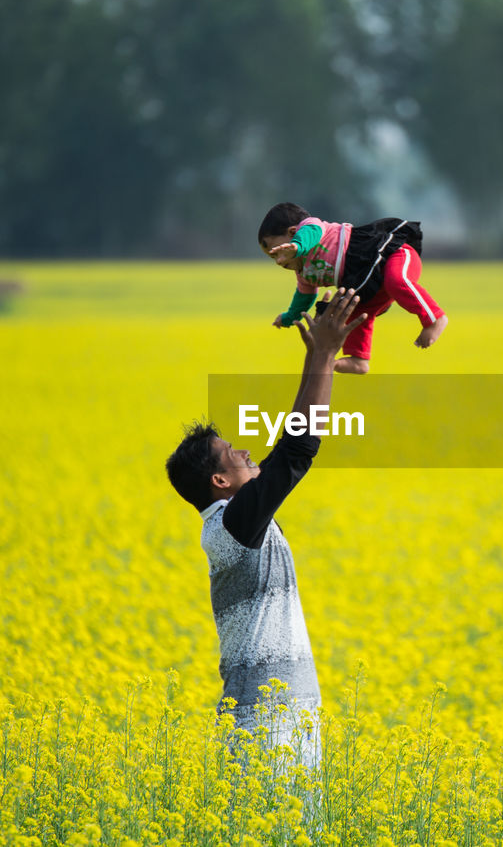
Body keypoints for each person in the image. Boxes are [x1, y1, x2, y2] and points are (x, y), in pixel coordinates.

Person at [165, 289, 365, 771]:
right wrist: (321, 354)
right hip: (267, 728)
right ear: (219, 482)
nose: (246, 454)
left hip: (280, 720)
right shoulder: (233, 525)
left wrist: (320, 355)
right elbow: (295, 451)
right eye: (233, 454)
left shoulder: (233, 526)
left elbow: (288, 448)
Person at [259, 201, 449, 375]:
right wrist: (288, 317)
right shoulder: (304, 273)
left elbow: (311, 233)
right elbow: (303, 298)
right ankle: (359, 359)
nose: (279, 261)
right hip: (366, 281)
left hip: (392, 254)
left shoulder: (312, 227)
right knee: (354, 309)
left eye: (278, 252)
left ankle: (434, 318)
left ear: (293, 232)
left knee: (396, 280)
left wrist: (296, 246)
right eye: (273, 257)